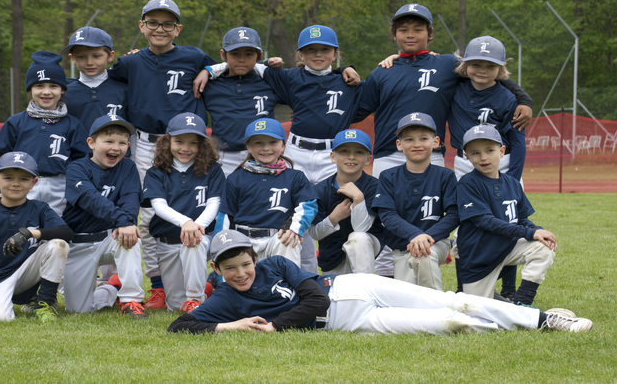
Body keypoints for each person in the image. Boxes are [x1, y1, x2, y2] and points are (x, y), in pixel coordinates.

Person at [167, 230, 592, 334]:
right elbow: (179, 327)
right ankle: (509, 325)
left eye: (244, 263)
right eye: (229, 269)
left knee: (453, 300)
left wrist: (276, 325)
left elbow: (315, 297)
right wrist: (231, 325)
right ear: (217, 272)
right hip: (350, 323)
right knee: (449, 322)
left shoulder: (275, 266)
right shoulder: (224, 299)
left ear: (253, 257)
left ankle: (543, 320)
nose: (241, 273)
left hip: (355, 289)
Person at [199, 24, 360, 274]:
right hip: (241, 156)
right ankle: (230, 268)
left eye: (324, 50)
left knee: (320, 209)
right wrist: (209, 70)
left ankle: (320, 275)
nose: (317, 54)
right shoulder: (272, 77)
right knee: (242, 211)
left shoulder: (339, 81)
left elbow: (316, 76)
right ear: (300, 54)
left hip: (319, 154)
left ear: (335, 52)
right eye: (310, 50)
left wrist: (344, 69)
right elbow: (243, 64)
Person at [108, 0, 215, 309]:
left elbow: (232, 64)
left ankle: (201, 281)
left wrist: (208, 68)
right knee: (151, 215)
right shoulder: (129, 64)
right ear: (142, 26)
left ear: (178, 29)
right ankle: (157, 285)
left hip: (186, 143)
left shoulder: (194, 57)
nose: (159, 28)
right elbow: (102, 77)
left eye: (167, 23)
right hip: (145, 143)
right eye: (152, 22)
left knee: (192, 210)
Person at [355, 3, 532, 177]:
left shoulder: (446, 65)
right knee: (386, 206)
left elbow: (487, 72)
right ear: (394, 35)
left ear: (430, 34)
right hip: (388, 156)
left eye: (418, 30)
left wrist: (524, 100)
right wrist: (344, 70)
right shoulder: (382, 71)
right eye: (403, 30)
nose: (410, 35)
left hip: (433, 155)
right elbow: (357, 109)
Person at [0, 151, 73, 323]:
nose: (16, 184)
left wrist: (32, 232)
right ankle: (5, 301)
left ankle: (43, 303)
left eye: (24, 179)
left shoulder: (39, 209)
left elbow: (67, 233)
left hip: (26, 273)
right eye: (8, 178)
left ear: (34, 183)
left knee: (58, 245)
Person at [456, 125, 557, 306]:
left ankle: (522, 302)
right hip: (480, 257)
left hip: (506, 249)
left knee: (542, 247)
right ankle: (490, 299)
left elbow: (521, 219)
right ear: (467, 156)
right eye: (475, 153)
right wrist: (529, 233)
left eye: (490, 150)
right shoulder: (467, 183)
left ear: (502, 151)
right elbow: (484, 221)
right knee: (474, 309)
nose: (484, 157)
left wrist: (537, 230)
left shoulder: (512, 183)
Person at [60, 115, 146, 318]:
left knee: (130, 239)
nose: (116, 148)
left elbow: (131, 199)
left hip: (108, 239)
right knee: (78, 310)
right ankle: (112, 287)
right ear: (91, 142)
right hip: (78, 243)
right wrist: (123, 220)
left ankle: (131, 301)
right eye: (108, 141)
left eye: (122, 142)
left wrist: (127, 223)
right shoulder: (77, 168)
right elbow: (91, 200)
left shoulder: (128, 167)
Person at [141, 112, 225, 312]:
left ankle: (195, 298)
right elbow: (159, 206)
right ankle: (205, 288)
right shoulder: (156, 172)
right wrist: (186, 222)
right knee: (175, 306)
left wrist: (196, 227)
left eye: (192, 143)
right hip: (168, 242)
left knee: (193, 243)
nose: (185, 148)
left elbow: (214, 204)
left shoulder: (212, 169)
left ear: (202, 145)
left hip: (202, 238)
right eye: (179, 141)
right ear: (167, 142)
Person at [0, 51, 89, 216]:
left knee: (55, 229)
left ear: (62, 90)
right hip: (22, 182)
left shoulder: (72, 124)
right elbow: (3, 159)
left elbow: (81, 160)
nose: (46, 92)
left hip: (60, 184)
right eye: (39, 86)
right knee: (20, 227)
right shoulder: (16, 122)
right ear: (30, 89)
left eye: (53, 86)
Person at [214, 118, 317, 270]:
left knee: (287, 241)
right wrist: (221, 245)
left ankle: (288, 291)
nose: (266, 148)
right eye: (258, 143)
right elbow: (224, 216)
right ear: (248, 147)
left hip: (277, 239)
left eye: (272, 142)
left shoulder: (295, 177)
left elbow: (309, 205)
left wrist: (295, 228)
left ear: (283, 146)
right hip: (244, 240)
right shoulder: (236, 178)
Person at [372, 113, 458, 290]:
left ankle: (437, 308)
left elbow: (454, 214)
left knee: (423, 257)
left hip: (436, 243)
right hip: (402, 247)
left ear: (435, 142)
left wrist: (427, 238)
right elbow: (387, 215)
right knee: (406, 297)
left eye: (423, 138)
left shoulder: (445, 176)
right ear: (399, 144)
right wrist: (414, 235)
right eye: (409, 139)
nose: (417, 144)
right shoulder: (388, 177)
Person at [196, 27, 284, 176]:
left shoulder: (270, 80)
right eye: (235, 54)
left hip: (263, 155)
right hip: (222, 157)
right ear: (223, 54)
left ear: (258, 55)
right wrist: (207, 70)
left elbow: (301, 94)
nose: (241, 59)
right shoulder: (211, 84)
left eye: (249, 54)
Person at [450, 35, 526, 181]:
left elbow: (518, 142)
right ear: (465, 64)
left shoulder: (508, 98)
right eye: (476, 64)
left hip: (501, 163)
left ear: (501, 67)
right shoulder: (454, 90)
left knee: (505, 203)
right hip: (464, 162)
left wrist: (514, 180)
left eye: (490, 66)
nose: (482, 70)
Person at [308, 129, 383, 275]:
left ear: (368, 158)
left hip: (368, 246)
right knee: (337, 295)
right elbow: (315, 234)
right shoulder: (320, 190)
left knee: (358, 238)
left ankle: (365, 290)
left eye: (359, 152)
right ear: (332, 156)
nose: (351, 157)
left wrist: (358, 199)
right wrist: (333, 218)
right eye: (344, 151)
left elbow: (362, 228)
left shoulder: (376, 186)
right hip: (332, 254)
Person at [62, 26, 127, 135]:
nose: (89, 62)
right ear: (72, 58)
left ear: (110, 56)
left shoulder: (124, 89)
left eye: (96, 56)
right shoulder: (64, 93)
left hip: (117, 151)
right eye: (81, 57)